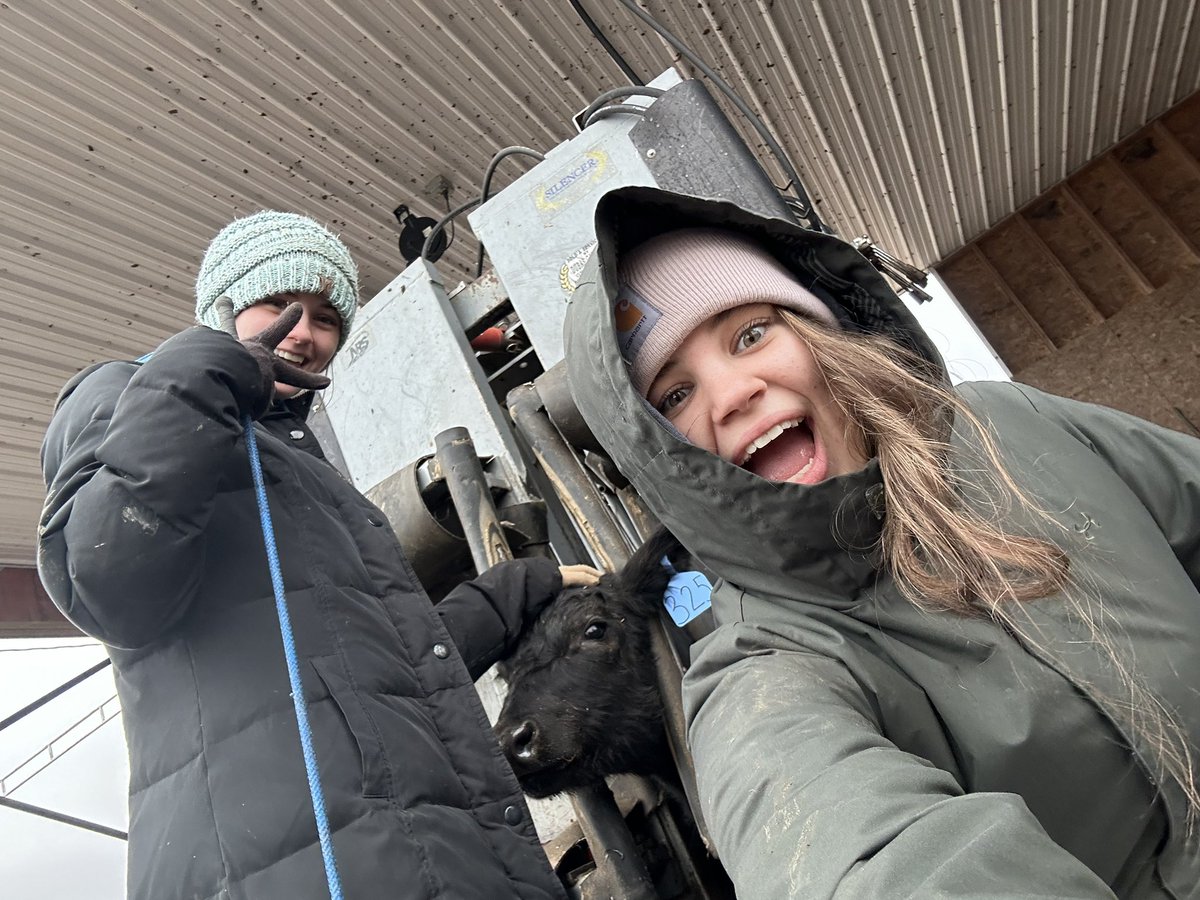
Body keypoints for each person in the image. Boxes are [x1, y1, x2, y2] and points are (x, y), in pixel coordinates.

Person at [563, 185, 1200, 898]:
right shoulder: (762, 674)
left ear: (823, 336)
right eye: (674, 396)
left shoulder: (1005, 425)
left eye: (750, 334)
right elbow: (849, 854)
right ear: (657, 455)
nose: (735, 392)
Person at [38, 211, 595, 899]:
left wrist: (521, 585)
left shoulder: (312, 478)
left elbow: (390, 668)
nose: (304, 332)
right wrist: (200, 371)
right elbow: (106, 582)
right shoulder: (128, 394)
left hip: (427, 858)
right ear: (222, 308)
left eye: (328, 318)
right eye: (279, 304)